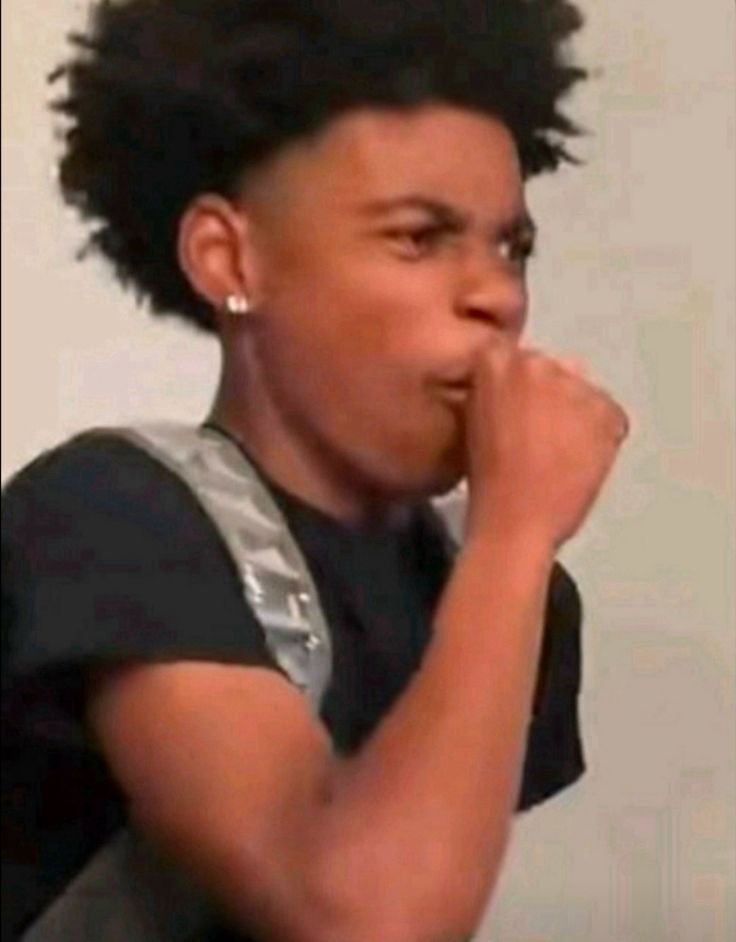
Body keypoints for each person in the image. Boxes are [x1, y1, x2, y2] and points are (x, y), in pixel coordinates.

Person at [2, 1, 630, 940]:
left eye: (513, 247)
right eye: (418, 237)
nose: (496, 294)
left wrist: (508, 556)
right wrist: (516, 536)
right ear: (229, 259)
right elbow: (358, 918)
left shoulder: (493, 584)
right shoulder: (109, 517)